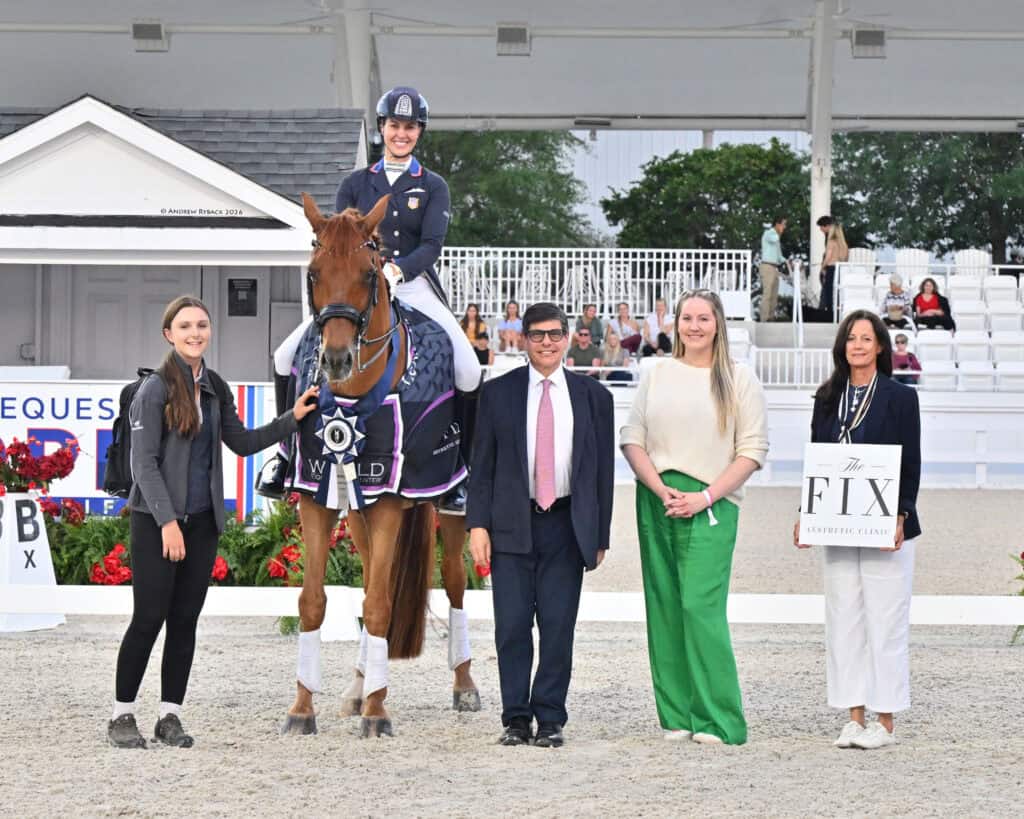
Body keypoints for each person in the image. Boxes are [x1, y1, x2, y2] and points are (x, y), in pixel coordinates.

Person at [108, 296, 319, 749]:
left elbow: (241, 442)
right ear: (169, 334)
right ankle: (122, 715)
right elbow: (142, 464)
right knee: (148, 618)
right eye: (185, 326)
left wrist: (292, 419)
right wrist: (167, 523)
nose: (195, 332)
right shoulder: (154, 389)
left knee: (184, 620)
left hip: (203, 523)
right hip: (156, 521)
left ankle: (170, 716)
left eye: (201, 324)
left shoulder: (214, 386)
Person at [260, 85, 481, 513]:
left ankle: (462, 472)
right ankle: (285, 456)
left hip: (412, 282)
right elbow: (339, 238)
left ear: (419, 132)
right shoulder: (355, 183)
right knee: (284, 356)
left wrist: (397, 270)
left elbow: (432, 243)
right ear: (382, 128)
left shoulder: (432, 186)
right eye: (395, 125)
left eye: (410, 127)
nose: (402, 133)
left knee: (468, 368)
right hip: (356, 287)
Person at [621, 290, 768, 746]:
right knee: (663, 605)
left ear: (718, 324)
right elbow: (632, 438)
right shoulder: (656, 373)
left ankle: (719, 719)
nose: (694, 326)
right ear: (676, 324)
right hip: (657, 497)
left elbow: (752, 451)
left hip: (711, 503)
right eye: (687, 318)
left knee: (699, 608)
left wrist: (704, 497)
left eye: (704, 318)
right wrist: (657, 486)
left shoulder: (739, 379)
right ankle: (677, 715)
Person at [467, 302, 614, 748]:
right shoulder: (498, 394)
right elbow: (482, 466)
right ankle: (515, 718)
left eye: (554, 334)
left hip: (566, 526)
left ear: (567, 337)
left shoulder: (595, 398)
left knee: (557, 626)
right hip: (511, 524)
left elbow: (602, 473)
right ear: (523, 340)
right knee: (511, 627)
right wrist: (477, 525)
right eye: (537, 335)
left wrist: (599, 533)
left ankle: (550, 717)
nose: (546, 342)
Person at [794, 309, 921, 750]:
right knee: (843, 619)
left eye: (867, 338)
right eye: (851, 338)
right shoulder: (828, 397)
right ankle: (853, 716)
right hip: (837, 521)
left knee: (885, 620)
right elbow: (818, 459)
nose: (858, 345)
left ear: (881, 346)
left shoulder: (901, 398)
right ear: (842, 346)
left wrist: (902, 515)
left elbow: (911, 462)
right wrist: (806, 513)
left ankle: (884, 721)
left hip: (885, 524)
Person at [817, 216, 849, 322]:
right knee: (838, 293)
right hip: (840, 269)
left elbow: (828, 257)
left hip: (831, 268)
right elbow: (845, 257)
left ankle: (829, 315)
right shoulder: (843, 244)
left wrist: (822, 267)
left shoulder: (831, 241)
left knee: (829, 293)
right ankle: (837, 315)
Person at [759, 216, 786, 322]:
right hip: (767, 266)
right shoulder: (769, 233)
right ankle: (764, 319)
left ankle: (771, 318)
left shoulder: (776, 238)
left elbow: (779, 256)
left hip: (774, 268)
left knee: (774, 295)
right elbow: (775, 239)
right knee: (767, 293)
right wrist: (778, 232)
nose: (784, 227)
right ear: (777, 224)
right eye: (783, 224)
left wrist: (787, 261)